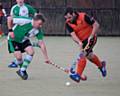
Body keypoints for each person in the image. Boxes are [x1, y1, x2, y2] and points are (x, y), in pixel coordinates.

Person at [64, 7, 107, 83]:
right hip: (82, 41)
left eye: (70, 17)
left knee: (82, 55)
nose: (69, 19)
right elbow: (73, 35)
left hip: (91, 38)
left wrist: (91, 36)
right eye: (67, 18)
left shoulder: (83, 16)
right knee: (89, 56)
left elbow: (96, 25)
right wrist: (79, 42)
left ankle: (78, 75)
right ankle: (101, 65)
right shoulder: (68, 23)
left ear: (73, 13)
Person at [8, 14, 51, 80]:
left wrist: (46, 58)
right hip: (13, 40)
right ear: (34, 20)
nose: (40, 26)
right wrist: (10, 31)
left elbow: (42, 44)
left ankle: (22, 70)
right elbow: (9, 18)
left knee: (31, 52)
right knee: (19, 58)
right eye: (39, 24)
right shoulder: (25, 20)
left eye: (41, 24)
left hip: (24, 40)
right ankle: (21, 68)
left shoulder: (38, 30)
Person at [7, 0, 37, 68]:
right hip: (16, 30)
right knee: (19, 53)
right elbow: (11, 19)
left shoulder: (28, 7)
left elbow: (36, 15)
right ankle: (18, 61)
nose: (20, 0)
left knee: (28, 48)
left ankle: (18, 62)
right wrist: (10, 30)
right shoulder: (14, 8)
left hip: (25, 29)